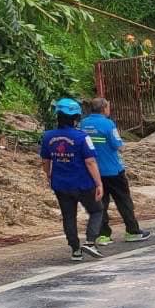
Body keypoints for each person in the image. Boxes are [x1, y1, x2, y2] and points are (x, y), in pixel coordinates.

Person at [40, 98, 104, 262]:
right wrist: (98, 183)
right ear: (76, 117)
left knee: (68, 216)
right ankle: (90, 241)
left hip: (60, 184)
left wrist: (49, 175)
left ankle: (75, 250)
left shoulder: (47, 136)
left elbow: (46, 161)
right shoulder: (82, 137)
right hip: (83, 183)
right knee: (96, 210)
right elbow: (90, 162)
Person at [81, 98, 150, 245]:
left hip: (93, 171)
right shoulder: (108, 124)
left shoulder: (83, 124)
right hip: (113, 170)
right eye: (108, 107)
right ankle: (132, 231)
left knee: (100, 203)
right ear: (104, 109)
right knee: (123, 201)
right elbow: (118, 145)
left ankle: (103, 235)